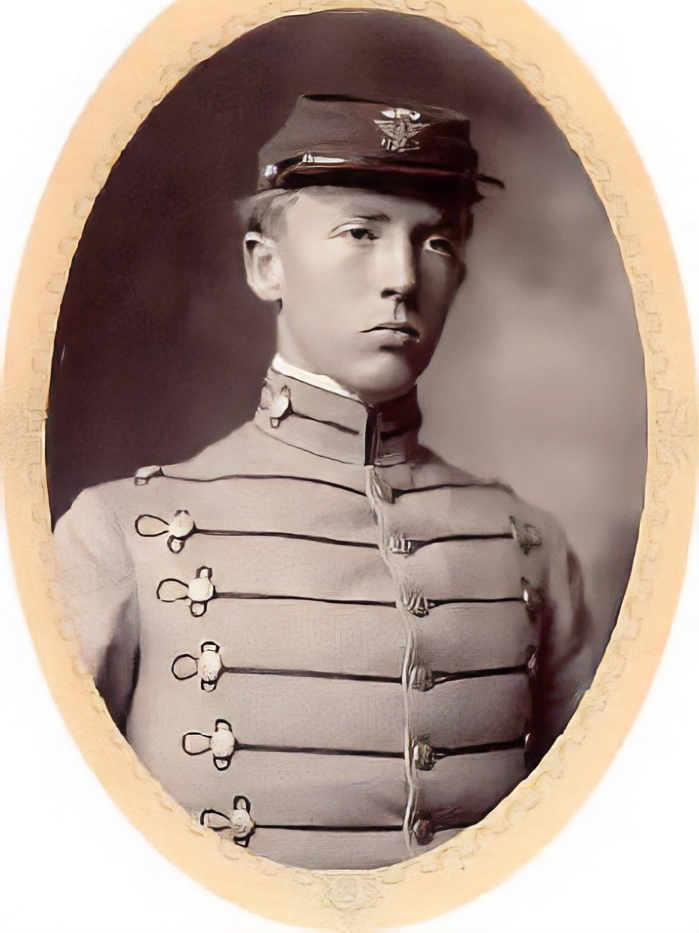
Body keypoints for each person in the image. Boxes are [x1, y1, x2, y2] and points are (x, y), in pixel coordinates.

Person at [54, 94, 592, 870]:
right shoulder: (122, 534)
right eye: (359, 233)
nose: (402, 278)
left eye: (435, 241)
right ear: (265, 265)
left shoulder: (529, 547)